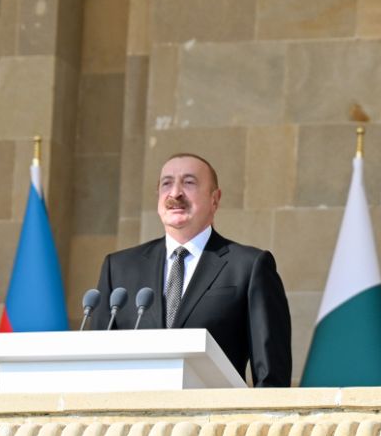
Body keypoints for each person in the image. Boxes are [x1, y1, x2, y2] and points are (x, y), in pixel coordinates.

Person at [92, 153, 292, 387]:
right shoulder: (119, 268)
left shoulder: (249, 266)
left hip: (214, 409)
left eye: (188, 182)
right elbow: (97, 362)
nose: (175, 193)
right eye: (166, 183)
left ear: (214, 199)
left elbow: (271, 376)